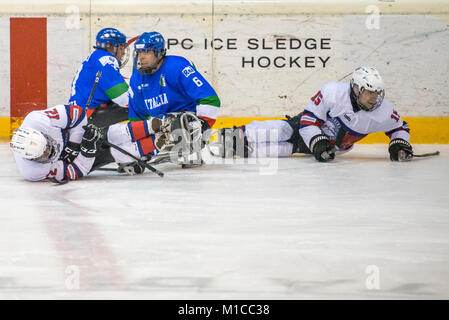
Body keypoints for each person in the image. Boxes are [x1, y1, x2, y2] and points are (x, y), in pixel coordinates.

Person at [215, 67, 413, 162]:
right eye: (369, 92)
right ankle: (236, 136)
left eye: (377, 93)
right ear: (356, 88)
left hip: (332, 148)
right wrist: (318, 141)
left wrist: (399, 143)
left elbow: (400, 128)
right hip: (309, 131)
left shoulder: (383, 112)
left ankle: (243, 150)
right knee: (284, 130)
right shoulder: (333, 92)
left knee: (286, 149)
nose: (374, 98)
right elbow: (309, 119)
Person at [10, 104, 170, 182]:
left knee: (111, 134)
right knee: (111, 153)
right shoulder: (31, 172)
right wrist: (87, 151)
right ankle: (156, 144)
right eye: (43, 155)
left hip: (76, 134)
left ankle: (154, 125)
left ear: (43, 134)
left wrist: (75, 143)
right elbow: (76, 171)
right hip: (76, 161)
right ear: (31, 159)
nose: (49, 153)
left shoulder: (38, 120)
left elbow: (78, 113)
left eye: (47, 147)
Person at [127, 31, 221, 156]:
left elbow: (210, 99)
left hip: (186, 126)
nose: (141, 57)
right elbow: (137, 117)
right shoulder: (136, 79)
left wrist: (202, 126)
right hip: (159, 130)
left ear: (159, 53)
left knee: (177, 122)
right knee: (127, 145)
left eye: (146, 52)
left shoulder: (177, 66)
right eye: (139, 52)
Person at [68, 27, 130, 126]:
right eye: (121, 47)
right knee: (138, 111)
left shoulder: (95, 57)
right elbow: (122, 98)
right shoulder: (106, 59)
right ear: (110, 46)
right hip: (87, 117)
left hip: (78, 116)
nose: (123, 52)